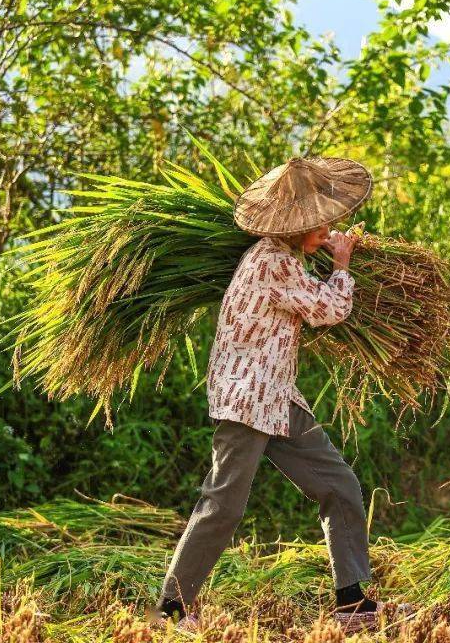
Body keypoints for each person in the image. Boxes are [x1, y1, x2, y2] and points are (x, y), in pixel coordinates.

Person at [150, 155, 414, 635]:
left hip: (278, 397)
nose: (328, 226)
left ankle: (352, 603)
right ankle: (170, 608)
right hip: (246, 398)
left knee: (339, 486)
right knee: (223, 504)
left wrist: (325, 260)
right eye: (318, 222)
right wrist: (340, 263)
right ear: (294, 227)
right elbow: (329, 309)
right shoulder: (273, 262)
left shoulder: (285, 258)